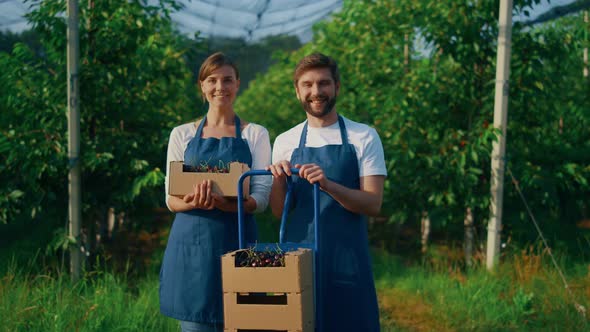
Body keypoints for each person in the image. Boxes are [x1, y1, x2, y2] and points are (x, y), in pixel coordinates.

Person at [267, 53, 386, 332]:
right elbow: (278, 211)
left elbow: (373, 203)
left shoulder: (364, 136)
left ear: (337, 87)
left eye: (324, 83)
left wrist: (328, 184)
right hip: (299, 259)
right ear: (297, 91)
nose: (316, 92)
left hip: (348, 259)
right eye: (307, 85)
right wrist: (278, 179)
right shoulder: (285, 141)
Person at [160, 52, 271, 332]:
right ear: (202, 85)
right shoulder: (182, 134)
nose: (220, 87)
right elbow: (171, 198)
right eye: (212, 80)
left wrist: (226, 205)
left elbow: (261, 197)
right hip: (192, 246)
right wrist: (194, 201)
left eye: (227, 80)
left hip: (239, 240)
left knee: (243, 321)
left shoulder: (254, 134)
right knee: (196, 323)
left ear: (238, 84)